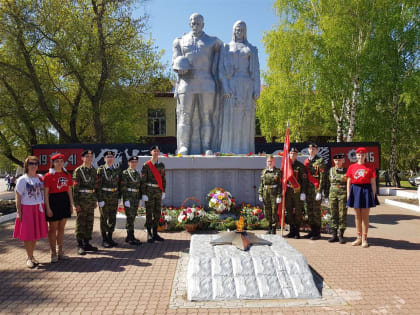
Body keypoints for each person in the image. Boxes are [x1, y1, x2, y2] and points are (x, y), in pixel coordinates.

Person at [172, 13, 223, 154]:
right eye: (193, 23)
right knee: (184, 115)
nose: (195, 25)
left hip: (207, 83)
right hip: (186, 83)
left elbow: (226, 55)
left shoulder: (213, 41)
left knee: (206, 115)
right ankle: (184, 146)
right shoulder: (180, 41)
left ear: (203, 24)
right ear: (189, 24)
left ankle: (207, 146)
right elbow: (174, 62)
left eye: (198, 23)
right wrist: (178, 68)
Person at [219, 20, 260, 154]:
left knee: (245, 116)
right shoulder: (226, 47)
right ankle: (230, 149)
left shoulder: (251, 49)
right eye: (237, 29)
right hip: (231, 84)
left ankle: (245, 149)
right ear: (233, 30)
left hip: (247, 85)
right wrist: (225, 87)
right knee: (231, 117)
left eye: (242, 29)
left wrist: (256, 89)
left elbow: (256, 71)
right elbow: (221, 71)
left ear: (245, 32)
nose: (239, 32)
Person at [13, 156, 48, 268]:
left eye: (36, 163)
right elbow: (18, 197)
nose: (34, 166)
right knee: (28, 235)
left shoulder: (40, 178)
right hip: (27, 208)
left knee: (35, 234)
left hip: (38, 208)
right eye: (31, 164)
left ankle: (32, 256)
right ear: (26, 166)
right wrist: (19, 212)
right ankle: (29, 257)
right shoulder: (22, 179)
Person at [43, 153, 74, 263]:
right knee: (52, 229)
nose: (59, 163)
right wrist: (48, 208)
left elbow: (69, 190)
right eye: (57, 161)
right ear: (53, 163)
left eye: (61, 161)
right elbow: (46, 194)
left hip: (64, 201)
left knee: (61, 228)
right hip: (53, 202)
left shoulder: (67, 174)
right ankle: (53, 253)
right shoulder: (48, 176)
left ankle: (60, 251)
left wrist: (71, 204)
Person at [346, 147, 377, 248]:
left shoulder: (370, 166)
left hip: (366, 190)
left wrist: (373, 194)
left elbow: (373, 182)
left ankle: (364, 239)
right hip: (355, 190)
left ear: (365, 156)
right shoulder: (351, 167)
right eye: (359, 155)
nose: (360, 156)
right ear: (356, 156)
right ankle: (358, 238)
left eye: (362, 154)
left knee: (365, 217)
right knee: (357, 216)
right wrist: (348, 194)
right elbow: (349, 181)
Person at [73, 150, 98, 255]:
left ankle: (87, 243)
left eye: (91, 156)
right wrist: (76, 204)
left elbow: (95, 186)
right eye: (87, 156)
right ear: (82, 158)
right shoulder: (78, 170)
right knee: (80, 223)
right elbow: (75, 188)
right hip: (82, 200)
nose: (89, 158)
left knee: (89, 222)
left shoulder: (93, 170)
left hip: (91, 200)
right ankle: (80, 245)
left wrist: (95, 199)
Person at [141, 145, 166, 243]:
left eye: (157, 151)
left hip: (158, 191)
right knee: (149, 213)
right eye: (154, 151)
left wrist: (163, 191)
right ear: (151, 152)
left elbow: (163, 179)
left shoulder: (161, 165)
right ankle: (149, 233)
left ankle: (155, 233)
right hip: (149, 191)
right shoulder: (146, 165)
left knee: (157, 213)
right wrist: (144, 193)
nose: (156, 152)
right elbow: (143, 180)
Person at [97, 151, 121, 248]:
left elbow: (119, 184)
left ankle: (110, 237)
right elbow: (98, 186)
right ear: (104, 159)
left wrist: (119, 197)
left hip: (114, 196)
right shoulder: (101, 170)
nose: (110, 158)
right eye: (108, 157)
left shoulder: (117, 169)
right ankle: (104, 239)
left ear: (113, 158)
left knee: (112, 218)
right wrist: (100, 199)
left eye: (111, 156)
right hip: (105, 197)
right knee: (104, 218)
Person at [303, 143, 327, 240]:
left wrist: (320, 191)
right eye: (310, 148)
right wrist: (303, 191)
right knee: (309, 211)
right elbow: (304, 178)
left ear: (317, 150)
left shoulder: (320, 161)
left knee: (316, 211)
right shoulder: (306, 161)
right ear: (308, 150)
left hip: (316, 189)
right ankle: (311, 231)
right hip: (308, 190)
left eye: (314, 148)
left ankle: (317, 233)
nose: (312, 150)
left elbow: (322, 178)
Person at [284, 148, 308, 239]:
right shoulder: (286, 165)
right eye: (291, 153)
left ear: (297, 154)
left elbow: (304, 181)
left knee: (298, 211)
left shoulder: (300, 166)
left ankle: (297, 231)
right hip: (288, 191)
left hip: (297, 192)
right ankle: (291, 230)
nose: (292, 154)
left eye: (294, 153)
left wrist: (303, 192)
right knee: (288, 211)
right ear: (289, 154)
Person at [120, 156, 142, 246]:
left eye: (135, 162)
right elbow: (123, 187)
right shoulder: (125, 173)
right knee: (129, 217)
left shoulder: (137, 173)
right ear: (129, 163)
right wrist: (126, 199)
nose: (134, 163)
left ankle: (129, 236)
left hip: (136, 197)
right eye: (132, 162)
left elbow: (139, 187)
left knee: (132, 217)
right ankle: (130, 236)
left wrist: (140, 198)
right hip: (129, 198)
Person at [258, 155, 282, 234]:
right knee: (267, 210)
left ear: (274, 162)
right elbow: (261, 184)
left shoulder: (277, 171)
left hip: (274, 193)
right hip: (266, 193)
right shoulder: (264, 171)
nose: (269, 163)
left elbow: (280, 184)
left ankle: (274, 228)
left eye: (271, 161)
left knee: (274, 211)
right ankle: (269, 227)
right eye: (268, 161)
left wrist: (279, 195)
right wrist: (260, 194)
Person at [327, 153, 348, 244]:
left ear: (343, 161)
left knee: (342, 214)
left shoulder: (347, 171)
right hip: (332, 194)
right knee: (333, 213)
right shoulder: (331, 170)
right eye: (336, 160)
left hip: (343, 194)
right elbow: (328, 182)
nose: (337, 162)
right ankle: (334, 235)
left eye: (340, 160)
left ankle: (341, 235)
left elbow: (348, 183)